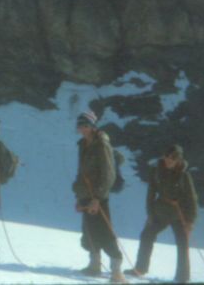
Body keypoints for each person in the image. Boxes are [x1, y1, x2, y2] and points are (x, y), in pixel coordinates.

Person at [126, 144, 198, 282]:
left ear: (179, 159)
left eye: (173, 157)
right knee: (146, 235)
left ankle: (182, 277)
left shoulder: (184, 175)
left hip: (179, 214)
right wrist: (150, 214)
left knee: (182, 244)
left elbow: (192, 199)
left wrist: (190, 221)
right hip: (161, 211)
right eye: (167, 156)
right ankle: (140, 268)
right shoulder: (156, 171)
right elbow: (151, 194)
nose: (169, 159)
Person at [72, 110, 126, 283]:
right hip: (86, 194)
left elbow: (108, 174)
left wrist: (97, 198)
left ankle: (117, 272)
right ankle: (94, 265)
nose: (82, 129)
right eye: (80, 126)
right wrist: (79, 195)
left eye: (85, 126)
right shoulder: (83, 144)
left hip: (98, 196)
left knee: (104, 232)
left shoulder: (101, 144)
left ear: (93, 126)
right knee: (89, 232)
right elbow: (82, 172)